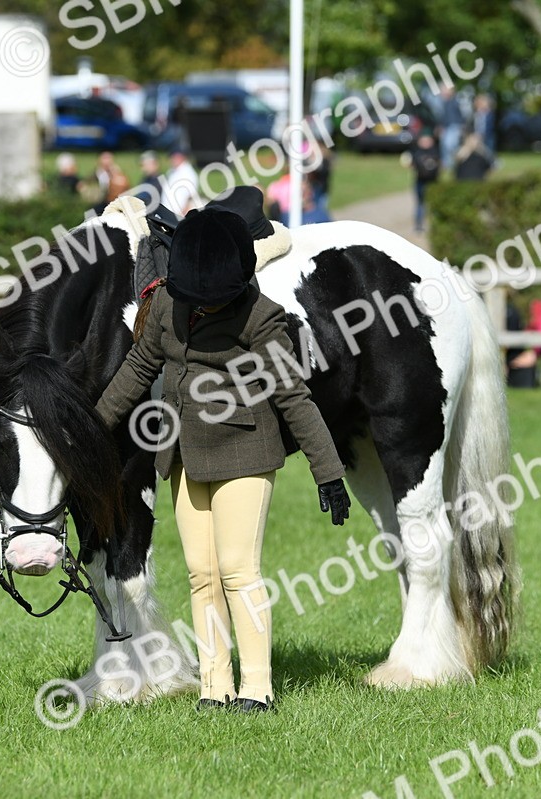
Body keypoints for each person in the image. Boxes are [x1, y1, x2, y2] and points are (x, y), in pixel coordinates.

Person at [94, 207, 350, 713]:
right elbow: (139, 366)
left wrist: (329, 473)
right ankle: (215, 686)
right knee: (201, 573)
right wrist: (92, 429)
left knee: (237, 571)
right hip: (183, 456)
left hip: (245, 453)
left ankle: (257, 688)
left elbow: (295, 398)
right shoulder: (167, 303)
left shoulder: (263, 319)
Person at [402, 133, 440, 233]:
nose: (426, 143)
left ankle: (434, 225)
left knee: (433, 204)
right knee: (420, 204)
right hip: (420, 182)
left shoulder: (436, 151)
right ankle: (418, 225)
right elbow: (410, 164)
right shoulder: (415, 152)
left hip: (433, 182)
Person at [162, 148, 200, 214]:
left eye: (175, 157)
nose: (172, 160)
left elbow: (191, 197)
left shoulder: (188, 173)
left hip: (178, 214)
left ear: (182, 157)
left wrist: (182, 216)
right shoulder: (171, 171)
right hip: (167, 213)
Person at [436, 85, 464, 171]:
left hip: (455, 126)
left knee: (451, 145)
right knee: (444, 145)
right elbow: (442, 117)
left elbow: (461, 115)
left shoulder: (455, 101)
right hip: (446, 127)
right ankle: (447, 163)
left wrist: (461, 126)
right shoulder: (442, 102)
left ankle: (453, 163)